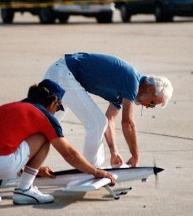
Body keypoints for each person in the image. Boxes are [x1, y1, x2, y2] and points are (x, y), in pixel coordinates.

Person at [0, 79, 116, 205]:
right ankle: (24, 189)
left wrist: (32, 169)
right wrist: (96, 172)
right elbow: (69, 154)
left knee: (1, 139)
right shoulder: (45, 116)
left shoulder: (12, 106)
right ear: (52, 104)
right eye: (57, 107)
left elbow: (2, 144)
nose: (56, 112)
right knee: (44, 136)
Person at [44, 52, 173, 168]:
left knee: (47, 127)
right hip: (64, 74)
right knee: (97, 123)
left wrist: (114, 152)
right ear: (150, 89)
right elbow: (127, 123)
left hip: (59, 72)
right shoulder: (132, 80)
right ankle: (91, 169)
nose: (147, 107)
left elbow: (110, 120)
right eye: (151, 103)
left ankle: (26, 168)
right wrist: (135, 156)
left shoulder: (127, 89)